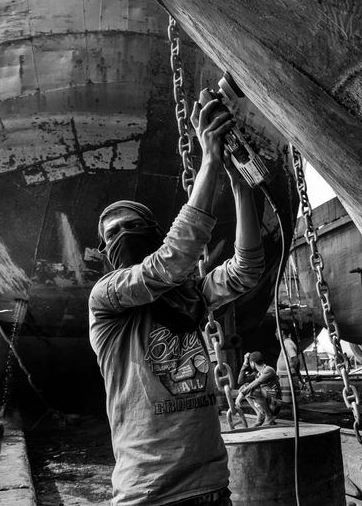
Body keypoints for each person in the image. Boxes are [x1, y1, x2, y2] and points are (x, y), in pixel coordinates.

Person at [88, 94, 264, 506]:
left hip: (211, 486)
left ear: (150, 232)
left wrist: (239, 187)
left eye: (133, 226)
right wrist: (210, 163)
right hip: (150, 494)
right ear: (105, 252)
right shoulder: (107, 302)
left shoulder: (189, 298)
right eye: (114, 234)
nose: (124, 235)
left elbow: (245, 271)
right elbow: (167, 264)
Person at [238, 351, 281, 426]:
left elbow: (257, 382)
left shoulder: (268, 370)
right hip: (269, 401)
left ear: (252, 363)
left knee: (254, 389)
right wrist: (245, 363)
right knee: (243, 387)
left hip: (275, 404)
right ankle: (260, 414)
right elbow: (240, 381)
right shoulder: (257, 373)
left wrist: (241, 394)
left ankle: (269, 416)